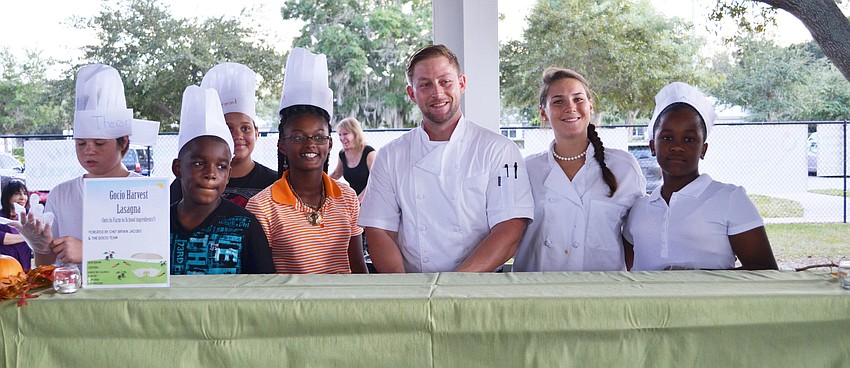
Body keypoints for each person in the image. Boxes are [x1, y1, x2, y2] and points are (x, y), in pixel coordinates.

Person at [358, 44, 534, 273]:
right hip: (414, 286)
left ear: (462, 84)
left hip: (479, 285)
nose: (437, 92)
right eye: (425, 84)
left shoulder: (499, 150)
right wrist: (406, 288)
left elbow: (510, 229)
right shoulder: (390, 156)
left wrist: (453, 285)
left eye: (445, 81)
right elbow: (379, 230)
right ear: (412, 94)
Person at [622, 82, 778, 270]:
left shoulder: (730, 199)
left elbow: (765, 269)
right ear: (652, 146)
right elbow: (625, 268)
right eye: (667, 138)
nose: (677, 147)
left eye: (689, 139)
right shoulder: (640, 208)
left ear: (703, 149)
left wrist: (695, 279)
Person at [21, 64, 160, 268]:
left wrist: (91, 252)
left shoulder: (147, 192)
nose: (89, 151)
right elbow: (46, 268)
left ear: (124, 142)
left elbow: (155, 259)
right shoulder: (61, 194)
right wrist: (41, 247)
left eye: (99, 143)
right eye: (81, 143)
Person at [246, 48, 368, 274]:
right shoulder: (262, 206)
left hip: (343, 297)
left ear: (329, 143)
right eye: (298, 137)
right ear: (282, 145)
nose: (310, 144)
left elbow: (358, 268)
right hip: (288, 299)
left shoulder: (347, 198)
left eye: (319, 136)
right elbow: (263, 279)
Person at [512, 68, 646, 272]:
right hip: (538, 287)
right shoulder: (526, 170)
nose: (570, 107)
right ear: (543, 112)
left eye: (578, 99)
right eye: (558, 101)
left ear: (590, 105)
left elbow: (636, 239)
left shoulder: (624, 167)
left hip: (603, 288)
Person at [170, 85, 275, 274]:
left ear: (228, 174)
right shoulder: (159, 223)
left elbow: (264, 284)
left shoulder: (247, 225)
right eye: (199, 163)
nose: (211, 173)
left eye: (221, 166)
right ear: (178, 168)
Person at [170, 63, 277, 207]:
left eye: (245, 128)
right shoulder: (188, 181)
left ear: (256, 133)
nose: (238, 135)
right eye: (229, 129)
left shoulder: (273, 182)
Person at [330, 117, 376, 201]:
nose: (342, 138)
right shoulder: (342, 154)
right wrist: (319, 185)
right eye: (340, 135)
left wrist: (359, 199)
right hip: (354, 200)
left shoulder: (369, 153)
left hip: (372, 199)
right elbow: (336, 174)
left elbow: (376, 180)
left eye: (345, 134)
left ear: (355, 133)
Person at [0, 179, 32, 271]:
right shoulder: (1, 216)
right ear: (8, 196)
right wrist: (29, 236)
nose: (22, 197)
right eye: (17, 194)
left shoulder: (30, 215)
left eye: (25, 194)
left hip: (25, 267)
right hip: (4, 268)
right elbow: (2, 238)